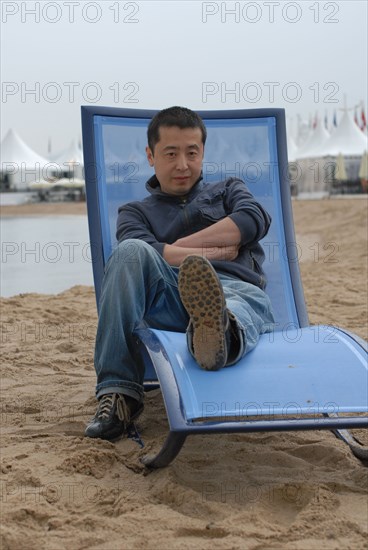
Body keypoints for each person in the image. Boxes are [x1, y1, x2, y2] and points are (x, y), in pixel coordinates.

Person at [85, 106, 275, 441]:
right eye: (171, 153)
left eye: (192, 152)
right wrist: (218, 248)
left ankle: (219, 332)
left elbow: (252, 220)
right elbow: (145, 251)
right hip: (171, 295)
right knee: (129, 253)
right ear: (150, 155)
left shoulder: (229, 189)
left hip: (236, 289)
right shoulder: (134, 212)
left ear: (203, 152)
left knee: (239, 303)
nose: (183, 165)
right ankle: (119, 394)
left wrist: (173, 248)